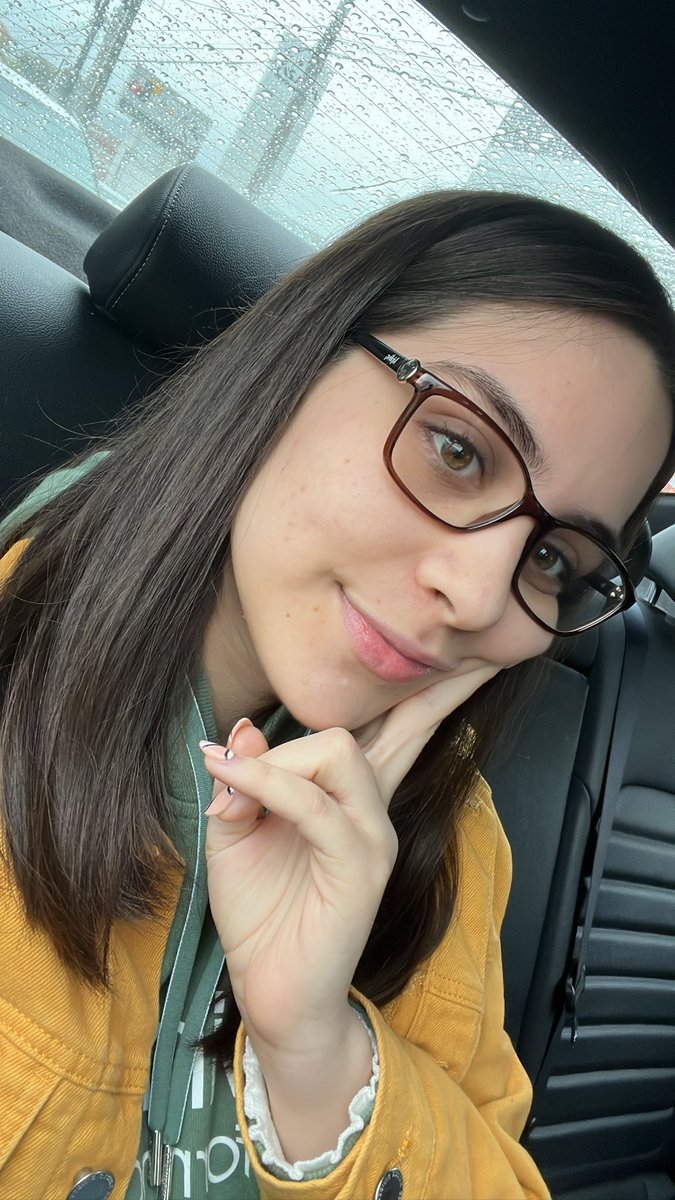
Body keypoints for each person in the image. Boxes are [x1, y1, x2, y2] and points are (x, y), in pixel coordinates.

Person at [1, 190, 674, 1200]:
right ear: (295, 359)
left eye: (553, 560)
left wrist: (318, 1058)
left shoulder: (448, 836)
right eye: (458, 450)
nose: (479, 595)